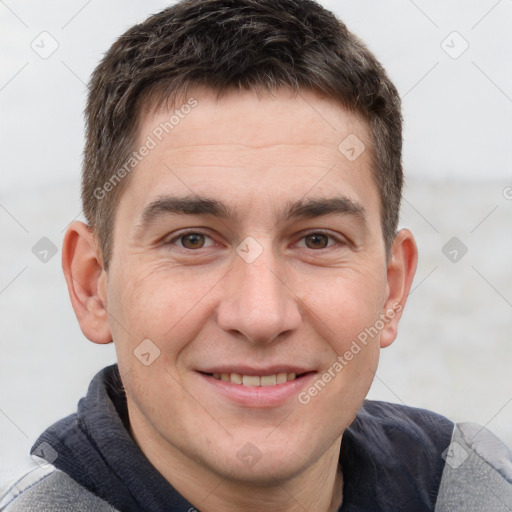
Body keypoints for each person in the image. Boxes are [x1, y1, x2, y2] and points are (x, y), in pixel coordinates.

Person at [2, 0, 511, 510]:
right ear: (92, 285)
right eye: (192, 240)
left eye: (317, 240)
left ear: (393, 290)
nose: (261, 315)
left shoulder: (478, 489)